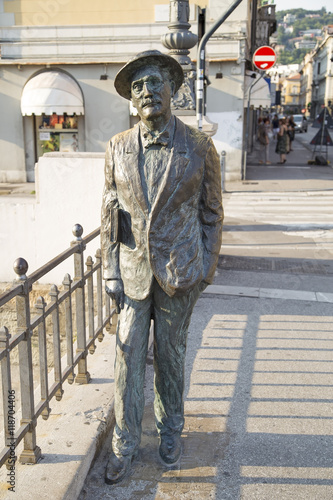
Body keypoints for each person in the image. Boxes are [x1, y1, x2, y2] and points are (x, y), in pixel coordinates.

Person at [101, 50, 223, 484]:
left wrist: (206, 268)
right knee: (127, 356)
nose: (147, 92)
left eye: (155, 83)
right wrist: (109, 268)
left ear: (173, 89)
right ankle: (124, 443)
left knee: (170, 357)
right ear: (132, 100)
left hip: (180, 272)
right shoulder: (116, 146)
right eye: (138, 87)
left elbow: (211, 212)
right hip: (132, 273)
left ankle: (171, 430)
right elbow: (110, 210)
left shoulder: (200, 146)